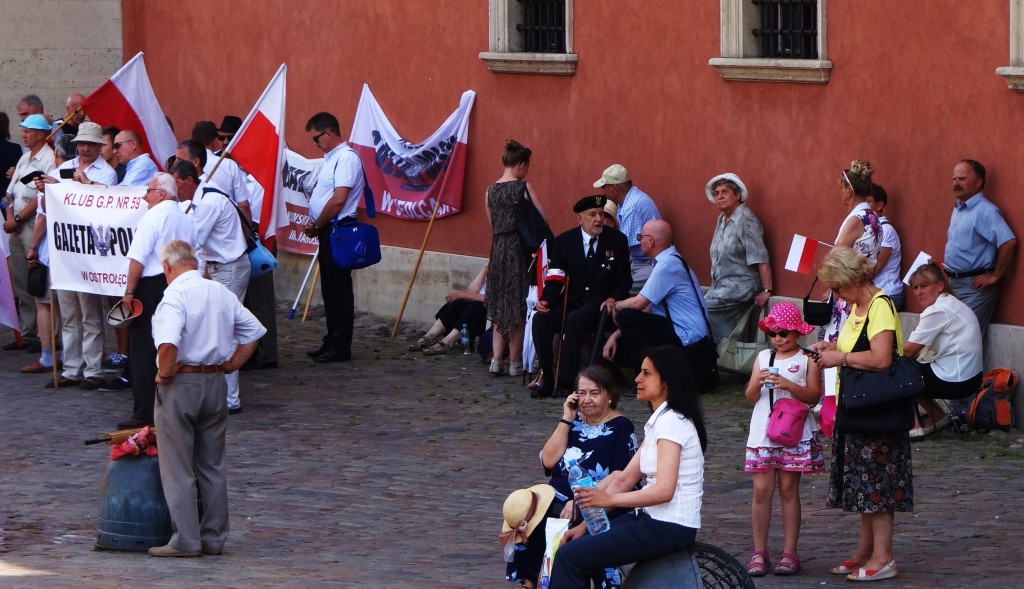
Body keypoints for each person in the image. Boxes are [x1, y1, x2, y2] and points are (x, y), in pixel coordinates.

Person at [549, 346, 707, 588]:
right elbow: (624, 479)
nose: (637, 379)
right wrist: (584, 526)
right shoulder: (660, 422)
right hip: (652, 519)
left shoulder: (673, 422)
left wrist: (607, 500)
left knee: (571, 558)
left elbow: (665, 490)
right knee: (573, 548)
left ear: (666, 381)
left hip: (669, 526)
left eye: (646, 373)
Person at [147, 240, 265, 558]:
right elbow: (253, 331)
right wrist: (230, 364)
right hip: (215, 382)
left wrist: (165, 376)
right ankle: (213, 537)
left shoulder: (174, 296)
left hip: (182, 382)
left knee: (178, 465)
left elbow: (168, 345)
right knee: (212, 465)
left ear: (168, 267)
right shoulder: (219, 292)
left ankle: (186, 538)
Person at [810, 247, 913, 582]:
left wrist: (839, 359)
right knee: (862, 485)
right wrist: (832, 349)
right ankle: (865, 550)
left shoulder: (880, 306)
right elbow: (856, 350)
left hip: (876, 410)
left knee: (877, 487)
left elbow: (882, 358)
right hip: (856, 407)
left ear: (852, 280)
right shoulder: (857, 305)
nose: (836, 295)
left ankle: (884, 557)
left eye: (837, 288)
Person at [504, 365, 637, 589]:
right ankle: (532, 582)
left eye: (594, 393)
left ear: (610, 395)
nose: (587, 399)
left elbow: (620, 475)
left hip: (600, 496)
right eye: (582, 393)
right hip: (557, 496)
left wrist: (582, 498)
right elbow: (548, 461)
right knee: (527, 510)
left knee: (564, 515)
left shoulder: (621, 427)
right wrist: (566, 419)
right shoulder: (573, 423)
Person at [742, 302, 823, 577]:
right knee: (761, 491)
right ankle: (759, 551)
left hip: (793, 432)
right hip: (764, 430)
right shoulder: (764, 357)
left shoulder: (808, 358)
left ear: (798, 332)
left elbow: (814, 396)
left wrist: (789, 385)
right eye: (774, 333)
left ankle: (790, 551)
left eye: (785, 333)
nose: (779, 338)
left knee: (789, 490)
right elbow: (750, 397)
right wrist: (756, 382)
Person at [40, 123, 118, 389]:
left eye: (90, 144)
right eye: (81, 144)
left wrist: (85, 185)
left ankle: (93, 369)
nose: (84, 148)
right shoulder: (62, 169)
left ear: (98, 147)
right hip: (64, 249)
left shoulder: (106, 174)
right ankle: (72, 368)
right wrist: (46, 191)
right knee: (69, 313)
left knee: (90, 312)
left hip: (88, 250)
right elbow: (47, 207)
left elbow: (106, 205)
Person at [117, 173, 198, 429]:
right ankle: (171, 407)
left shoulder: (153, 216)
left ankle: (144, 412)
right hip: (180, 283)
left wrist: (129, 292)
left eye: (149, 191)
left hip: (152, 285)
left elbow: (138, 258)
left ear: (161, 193)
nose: (145, 196)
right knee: (172, 342)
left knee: (142, 348)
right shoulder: (186, 218)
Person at [170, 159, 251, 413]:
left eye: (177, 184)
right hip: (220, 267)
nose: (175, 190)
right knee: (221, 329)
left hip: (229, 268)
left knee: (226, 330)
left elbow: (194, 241)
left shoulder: (209, 203)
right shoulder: (201, 199)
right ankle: (224, 396)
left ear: (189, 180)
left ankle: (230, 399)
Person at [532, 195, 630, 398]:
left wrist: (613, 298)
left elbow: (624, 279)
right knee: (541, 319)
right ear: (580, 219)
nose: (598, 219)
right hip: (571, 300)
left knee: (574, 320)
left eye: (601, 214)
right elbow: (556, 276)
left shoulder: (617, 240)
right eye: (592, 215)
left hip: (599, 304)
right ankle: (548, 377)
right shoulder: (565, 241)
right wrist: (546, 300)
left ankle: (567, 382)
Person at [604, 220, 718, 392]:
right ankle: (656, 375)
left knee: (626, 316)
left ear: (650, 241)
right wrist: (614, 336)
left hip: (687, 338)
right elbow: (648, 309)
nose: (639, 240)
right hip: (685, 334)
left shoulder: (666, 265)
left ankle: (645, 379)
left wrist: (617, 305)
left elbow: (638, 303)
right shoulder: (670, 260)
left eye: (640, 237)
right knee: (620, 346)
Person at [302, 112, 366, 364]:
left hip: (338, 228)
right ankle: (332, 339)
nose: (315, 143)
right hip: (328, 228)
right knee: (329, 288)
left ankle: (340, 344)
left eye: (316, 138)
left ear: (329, 133)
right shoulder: (332, 159)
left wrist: (318, 224)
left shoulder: (347, 158)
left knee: (338, 288)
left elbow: (339, 199)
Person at [903, 261, 984, 439]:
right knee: (911, 367)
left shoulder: (938, 310)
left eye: (924, 286)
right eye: (915, 287)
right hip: (970, 379)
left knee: (900, 368)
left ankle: (913, 426)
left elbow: (908, 351)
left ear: (939, 285)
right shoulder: (950, 303)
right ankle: (937, 417)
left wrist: (880, 353)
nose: (918, 292)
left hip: (956, 380)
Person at [485, 139, 545, 376]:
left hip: (498, 248)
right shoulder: (524, 188)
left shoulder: (490, 191)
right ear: (521, 164)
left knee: (500, 304)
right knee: (519, 304)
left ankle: (496, 360)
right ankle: (515, 362)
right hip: (519, 250)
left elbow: (492, 224)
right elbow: (541, 220)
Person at [943, 159, 1016, 337]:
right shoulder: (959, 208)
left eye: (962, 178)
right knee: (951, 339)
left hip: (975, 289)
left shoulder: (986, 211)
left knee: (965, 339)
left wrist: (996, 275)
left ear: (978, 182)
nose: (956, 183)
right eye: (954, 179)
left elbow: (1008, 241)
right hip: (954, 285)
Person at [3, 114, 56, 351]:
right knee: (22, 280)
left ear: (41, 134)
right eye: (23, 130)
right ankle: (29, 332)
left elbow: (42, 195)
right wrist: (10, 215)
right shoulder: (25, 158)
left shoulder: (49, 159)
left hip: (34, 223)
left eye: (28, 130)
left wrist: (18, 218)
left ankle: (48, 334)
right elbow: (11, 191)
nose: (23, 134)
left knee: (38, 280)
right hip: (17, 224)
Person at [819, 160, 882, 347]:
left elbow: (836, 258)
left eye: (842, 188)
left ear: (849, 190)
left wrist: (832, 286)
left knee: (839, 343)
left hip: (848, 289)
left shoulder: (856, 219)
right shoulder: (873, 217)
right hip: (865, 286)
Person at [703, 173, 772, 341]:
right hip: (720, 289)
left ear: (737, 195)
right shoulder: (721, 219)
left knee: (700, 308)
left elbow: (760, 254)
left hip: (740, 289)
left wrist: (767, 290)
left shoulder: (746, 219)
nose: (719, 196)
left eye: (724, 192)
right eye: (716, 193)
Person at [593, 164, 661, 293]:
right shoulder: (627, 201)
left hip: (646, 265)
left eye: (604, 187)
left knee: (611, 287)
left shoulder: (632, 207)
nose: (603, 192)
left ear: (614, 188)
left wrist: (604, 269)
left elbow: (622, 248)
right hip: (638, 263)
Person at [408, 263, 488, 355]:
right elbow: (471, 292)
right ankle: (430, 335)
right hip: (480, 308)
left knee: (476, 306)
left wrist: (460, 294)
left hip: (492, 316)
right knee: (459, 303)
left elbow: (492, 299)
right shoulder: (493, 267)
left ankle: (448, 341)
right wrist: (484, 270)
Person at [866, 183, 904, 310]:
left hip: (889, 294)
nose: (863, 207)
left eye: (867, 202)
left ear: (880, 205)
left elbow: (873, 269)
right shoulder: (868, 229)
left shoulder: (886, 231)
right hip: (872, 293)